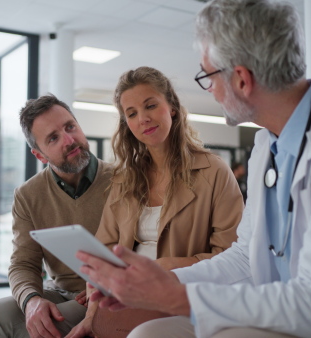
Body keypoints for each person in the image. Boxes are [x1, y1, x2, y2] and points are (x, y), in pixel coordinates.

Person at [77, 0, 311, 337]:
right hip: (280, 310)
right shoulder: (268, 146)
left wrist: (173, 296)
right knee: (151, 333)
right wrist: (158, 284)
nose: (210, 90)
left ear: (242, 80)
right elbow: (245, 258)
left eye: (208, 76)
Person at [66, 66, 243, 337]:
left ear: (171, 107)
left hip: (181, 296)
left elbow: (233, 258)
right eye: (132, 114)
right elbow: (102, 254)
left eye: (151, 106)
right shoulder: (124, 179)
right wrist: (92, 315)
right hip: (122, 297)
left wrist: (165, 266)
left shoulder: (214, 172)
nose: (143, 119)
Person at [0, 94, 113, 338]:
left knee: (44, 329)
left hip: (110, 293)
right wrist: (31, 301)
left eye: (70, 127)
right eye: (53, 138)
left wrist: (102, 285)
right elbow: (23, 263)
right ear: (39, 155)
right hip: (59, 291)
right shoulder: (28, 195)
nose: (69, 140)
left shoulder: (122, 180)